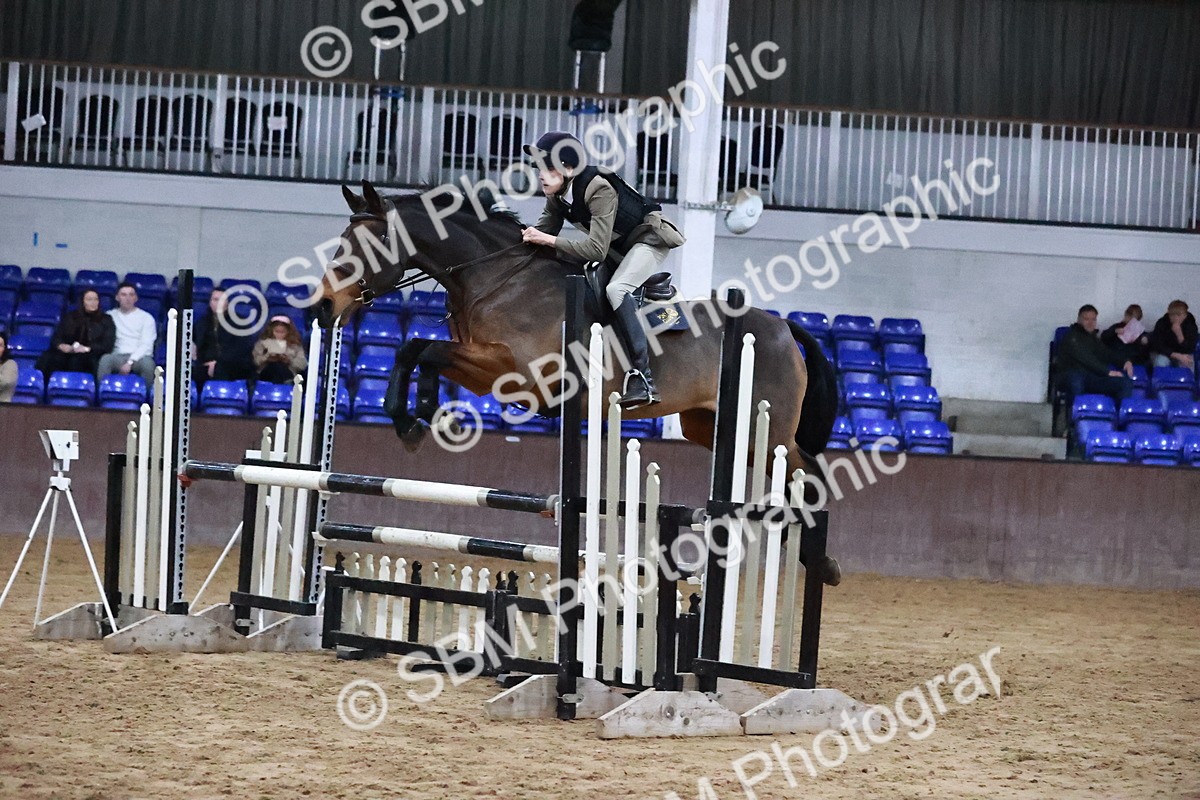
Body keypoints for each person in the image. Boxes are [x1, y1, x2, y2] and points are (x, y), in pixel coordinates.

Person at [521, 131, 685, 409]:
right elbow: (544, 231)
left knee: (616, 288)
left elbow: (594, 250)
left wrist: (546, 239)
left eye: (548, 168)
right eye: (539, 168)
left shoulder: (598, 188)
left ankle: (642, 378)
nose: (541, 174)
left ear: (569, 169)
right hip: (616, 247)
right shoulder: (559, 194)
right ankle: (579, 367)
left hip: (649, 239)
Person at [1056, 305, 1134, 402]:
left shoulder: (1093, 338)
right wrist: (1107, 372)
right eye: (1086, 319)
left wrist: (1125, 361)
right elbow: (1086, 359)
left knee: (1124, 383)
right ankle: (1078, 414)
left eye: (1093, 319)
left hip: (1092, 378)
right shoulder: (1071, 337)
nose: (1090, 323)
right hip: (1070, 376)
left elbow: (1107, 353)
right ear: (1079, 320)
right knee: (1076, 378)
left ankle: (1118, 415)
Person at [35, 288, 116, 376]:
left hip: (91, 354)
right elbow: (57, 337)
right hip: (69, 352)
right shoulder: (71, 317)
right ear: (82, 302)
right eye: (89, 299)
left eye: (96, 299)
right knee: (49, 358)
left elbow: (107, 345)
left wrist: (86, 349)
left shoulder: (106, 319)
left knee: (77, 361)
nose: (93, 302)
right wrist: (61, 345)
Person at [193, 287, 256, 388]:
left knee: (220, 369)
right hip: (207, 365)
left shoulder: (240, 322)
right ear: (210, 302)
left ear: (227, 303)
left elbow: (243, 349)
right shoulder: (201, 323)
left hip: (234, 365)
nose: (218, 303)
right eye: (215, 299)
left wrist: (218, 363)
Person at [97, 282, 157, 384]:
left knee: (148, 365)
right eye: (124, 295)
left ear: (136, 298)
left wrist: (130, 362)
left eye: (131, 295)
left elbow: (146, 344)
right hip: (117, 355)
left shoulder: (146, 318)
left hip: (140, 357)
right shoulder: (109, 316)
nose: (128, 298)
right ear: (117, 297)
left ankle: (147, 397)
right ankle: (102, 394)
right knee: (105, 360)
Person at [252, 315, 307, 384]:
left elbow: (302, 364)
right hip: (265, 373)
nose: (279, 335)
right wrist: (266, 358)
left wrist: (289, 360)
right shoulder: (262, 343)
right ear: (271, 330)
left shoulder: (295, 345)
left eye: (282, 332)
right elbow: (255, 361)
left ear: (288, 332)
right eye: (276, 331)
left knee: (280, 367)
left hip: (288, 374)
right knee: (274, 366)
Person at [1147, 299, 1197, 372]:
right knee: (1160, 362)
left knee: (1188, 364)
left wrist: (1179, 334)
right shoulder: (1162, 323)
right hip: (1166, 353)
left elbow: (1190, 348)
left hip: (1184, 354)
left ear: (1185, 315)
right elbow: (1158, 345)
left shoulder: (1190, 325)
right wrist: (1176, 355)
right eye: (1172, 315)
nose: (1175, 318)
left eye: (1179, 315)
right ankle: (1161, 383)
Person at [0, 330, 16, 403]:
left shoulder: (10, 364)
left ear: (5, 348)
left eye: (0, 345)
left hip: (3, 408)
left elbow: (4, 382)